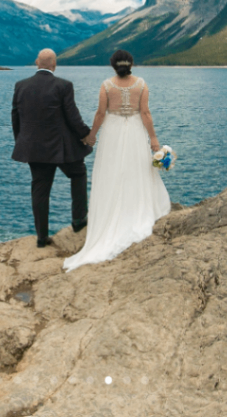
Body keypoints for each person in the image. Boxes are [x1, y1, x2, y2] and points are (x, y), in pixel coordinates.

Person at [63, 49, 171, 271]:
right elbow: (146, 113)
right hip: (134, 131)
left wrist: (91, 137)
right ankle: (135, 212)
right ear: (131, 64)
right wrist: (153, 139)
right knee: (136, 171)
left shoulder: (106, 86)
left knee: (111, 173)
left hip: (112, 132)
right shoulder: (141, 84)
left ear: (113, 65)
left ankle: (111, 215)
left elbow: (100, 114)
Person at [11, 48, 92, 248]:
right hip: (60, 148)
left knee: (40, 190)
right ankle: (79, 220)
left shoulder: (21, 86)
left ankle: (41, 237)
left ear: (37, 63)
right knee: (78, 173)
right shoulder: (63, 86)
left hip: (33, 149)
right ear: (54, 65)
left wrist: (22, 142)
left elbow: (15, 118)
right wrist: (86, 135)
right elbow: (73, 117)